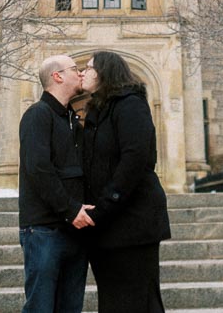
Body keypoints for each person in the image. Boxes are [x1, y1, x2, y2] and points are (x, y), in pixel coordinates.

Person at [79, 50, 171, 313]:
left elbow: (134, 160)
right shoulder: (98, 109)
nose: (83, 72)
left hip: (133, 223)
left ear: (105, 72)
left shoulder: (130, 104)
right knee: (113, 301)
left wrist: (106, 205)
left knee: (139, 301)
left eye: (89, 67)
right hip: (106, 227)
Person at [18, 54, 92, 313]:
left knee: (70, 308)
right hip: (44, 230)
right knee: (41, 307)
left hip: (75, 231)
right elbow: (39, 169)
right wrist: (70, 210)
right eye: (75, 69)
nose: (81, 73)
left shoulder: (72, 119)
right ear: (57, 76)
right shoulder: (37, 114)